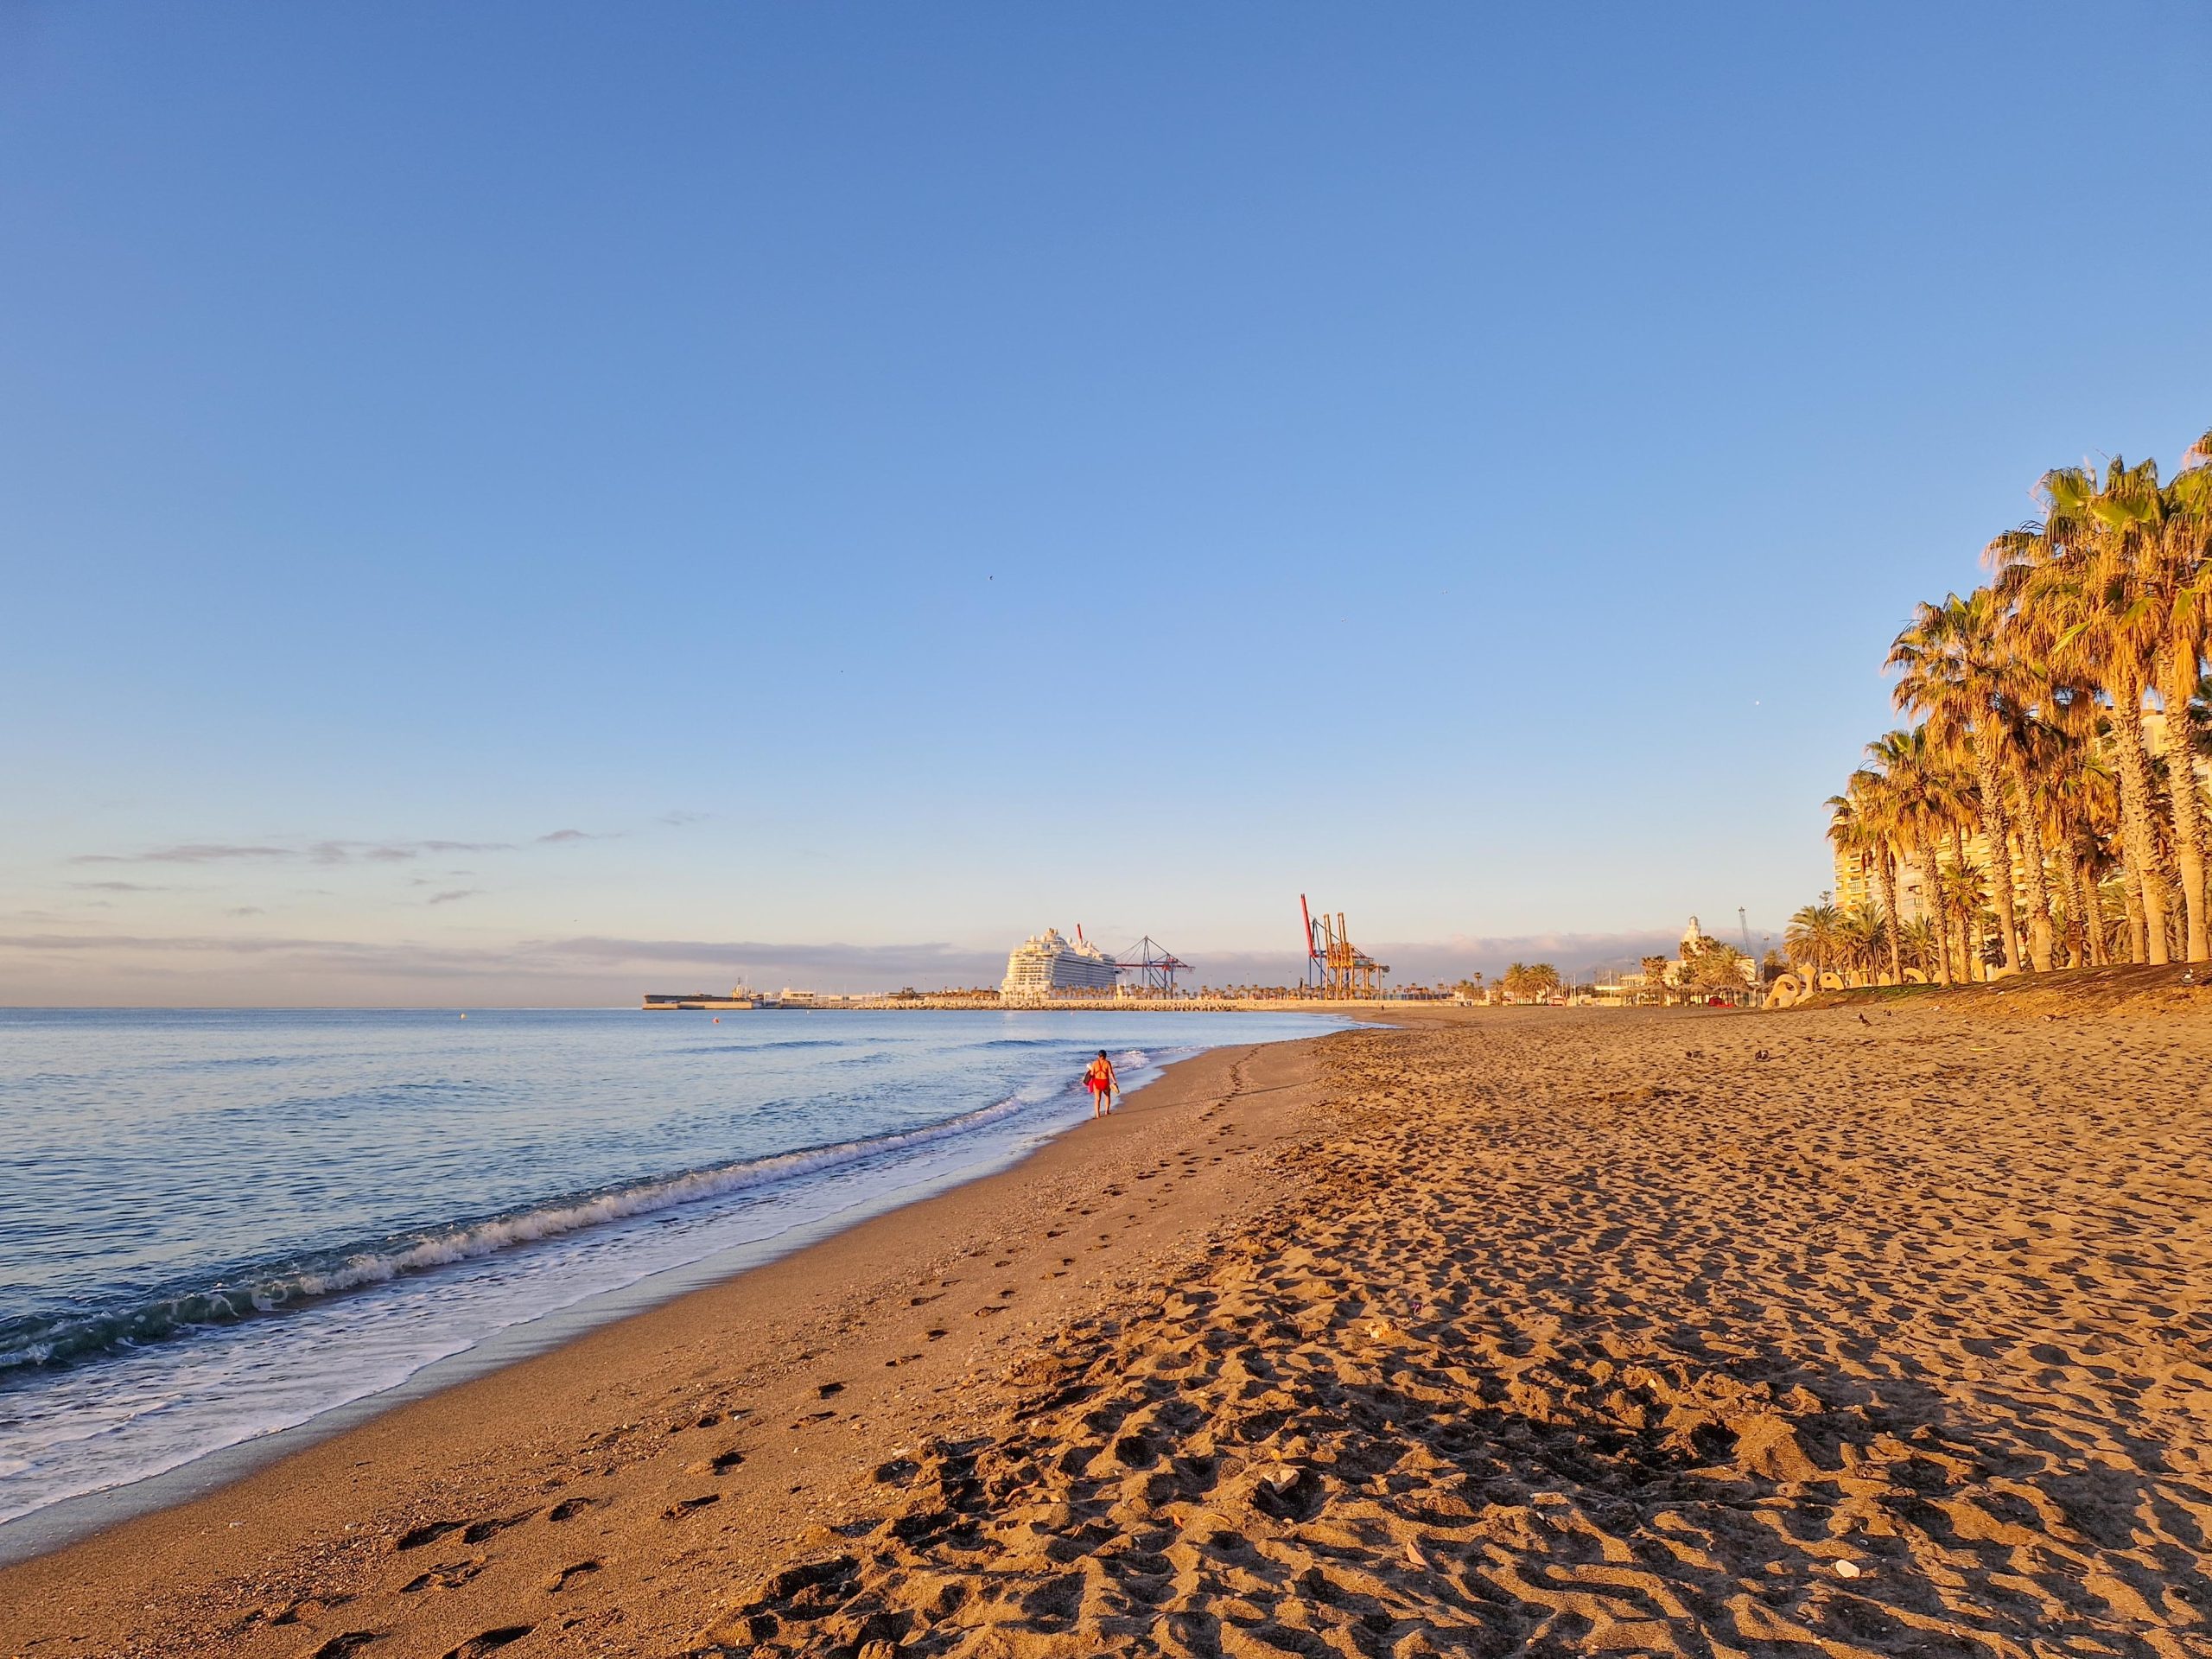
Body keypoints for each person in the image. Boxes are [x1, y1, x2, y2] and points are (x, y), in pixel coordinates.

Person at [1083, 1050, 1118, 1117]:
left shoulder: (1095, 1063)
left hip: (1097, 1082)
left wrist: (1089, 1071)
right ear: (1105, 1056)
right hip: (1105, 1082)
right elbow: (1110, 1073)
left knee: (1097, 1099)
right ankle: (1106, 1111)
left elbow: (1092, 1074)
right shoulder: (1107, 1063)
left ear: (1098, 1056)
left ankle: (1098, 1115)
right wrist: (1114, 1081)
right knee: (1107, 1096)